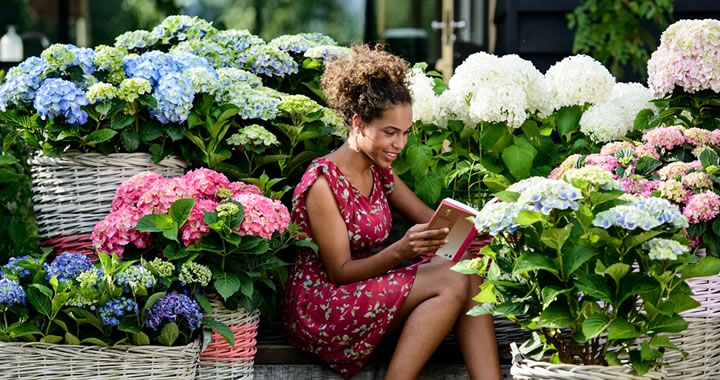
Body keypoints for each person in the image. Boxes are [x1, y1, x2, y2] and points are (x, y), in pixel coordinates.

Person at [281, 44, 501, 379]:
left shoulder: (379, 168)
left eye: (405, 133)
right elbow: (340, 271)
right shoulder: (323, 184)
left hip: (363, 288)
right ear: (358, 123)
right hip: (323, 307)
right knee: (452, 280)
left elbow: (431, 218)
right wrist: (402, 249)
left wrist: (474, 230)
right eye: (390, 132)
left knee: (467, 271)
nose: (399, 144)